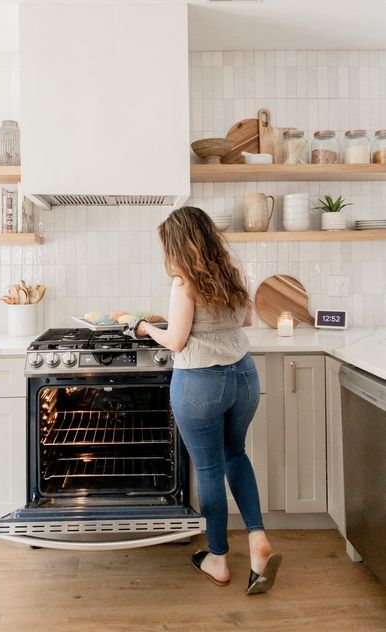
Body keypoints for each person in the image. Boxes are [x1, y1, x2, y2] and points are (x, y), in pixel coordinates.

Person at [126, 206, 282, 595]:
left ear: (177, 244)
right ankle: (257, 537)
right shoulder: (232, 268)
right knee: (235, 455)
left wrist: (143, 326)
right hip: (243, 377)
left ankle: (218, 558)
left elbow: (176, 341)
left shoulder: (184, 282)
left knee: (210, 470)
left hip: (200, 383)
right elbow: (245, 320)